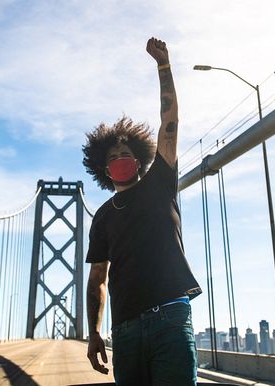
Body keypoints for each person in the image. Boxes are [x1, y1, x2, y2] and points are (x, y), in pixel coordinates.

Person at [82, 37, 202, 386]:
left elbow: (170, 122)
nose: (121, 160)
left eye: (126, 154)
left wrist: (163, 66)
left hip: (171, 317)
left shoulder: (160, 181)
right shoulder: (102, 216)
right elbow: (97, 281)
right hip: (126, 330)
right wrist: (94, 332)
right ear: (104, 170)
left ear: (140, 158)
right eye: (113, 158)